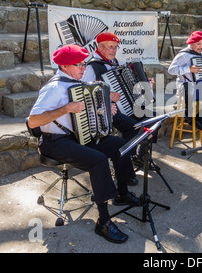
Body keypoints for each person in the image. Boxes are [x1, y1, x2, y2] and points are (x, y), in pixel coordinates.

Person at [28, 44, 141, 244]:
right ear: (63, 66)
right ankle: (103, 221)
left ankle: (122, 194)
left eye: (83, 63)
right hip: (54, 142)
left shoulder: (79, 82)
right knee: (98, 160)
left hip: (78, 136)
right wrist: (65, 109)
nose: (82, 67)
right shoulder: (53, 88)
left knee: (120, 145)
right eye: (77, 64)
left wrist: (107, 111)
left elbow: (89, 113)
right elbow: (33, 121)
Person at [82, 32, 153, 183]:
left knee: (151, 117)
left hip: (123, 106)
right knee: (132, 127)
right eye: (110, 47)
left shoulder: (114, 62)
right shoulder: (91, 67)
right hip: (104, 111)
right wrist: (107, 96)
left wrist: (142, 86)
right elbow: (84, 93)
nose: (114, 51)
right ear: (100, 47)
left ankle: (138, 156)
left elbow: (126, 86)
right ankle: (123, 168)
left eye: (115, 47)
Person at [167, 30, 202, 131]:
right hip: (184, 85)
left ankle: (199, 120)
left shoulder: (200, 54)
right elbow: (171, 70)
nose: (201, 46)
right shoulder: (184, 55)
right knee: (188, 87)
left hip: (197, 86)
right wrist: (188, 69)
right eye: (198, 44)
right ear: (191, 43)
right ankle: (189, 118)